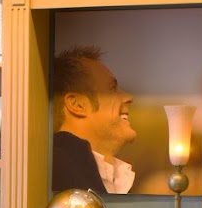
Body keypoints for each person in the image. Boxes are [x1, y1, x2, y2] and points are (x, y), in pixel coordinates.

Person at [50, 45, 137, 194]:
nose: (129, 98)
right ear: (77, 104)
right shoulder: (55, 172)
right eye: (112, 89)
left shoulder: (112, 176)